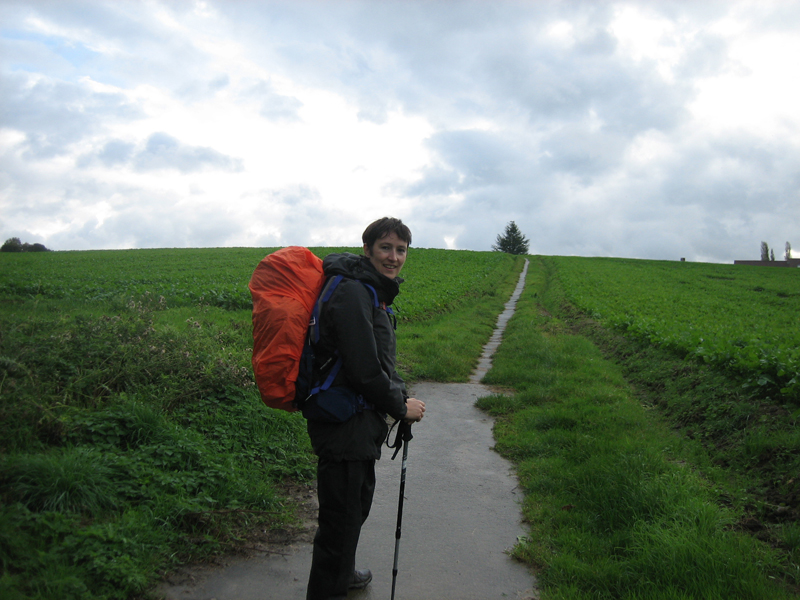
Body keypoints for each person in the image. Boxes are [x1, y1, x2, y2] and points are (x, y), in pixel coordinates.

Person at [305, 217, 426, 600]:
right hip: (344, 422)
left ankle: (344, 574)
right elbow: (363, 368)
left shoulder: (370, 290)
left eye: (401, 249)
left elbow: (380, 362)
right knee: (340, 522)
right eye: (385, 247)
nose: (394, 257)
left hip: (357, 421)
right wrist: (400, 406)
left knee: (353, 509)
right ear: (367, 249)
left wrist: (399, 393)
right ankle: (330, 588)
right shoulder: (355, 292)